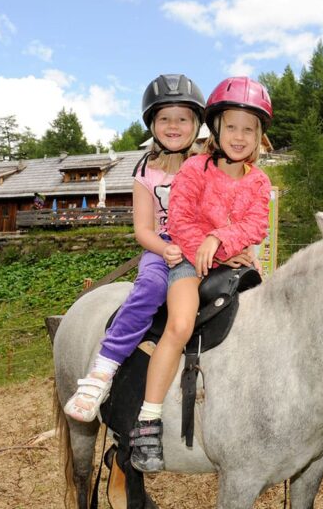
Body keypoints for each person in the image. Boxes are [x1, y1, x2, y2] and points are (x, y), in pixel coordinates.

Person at [129, 76, 273, 472]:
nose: (239, 136)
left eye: (249, 129)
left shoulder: (260, 182)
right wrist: (204, 247)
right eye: (231, 127)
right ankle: (149, 420)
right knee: (179, 324)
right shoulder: (195, 168)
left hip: (233, 259)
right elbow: (178, 219)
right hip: (189, 262)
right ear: (216, 128)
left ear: (260, 136)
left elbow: (255, 225)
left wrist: (221, 239)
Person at [63, 74, 206, 422]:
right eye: (164, 119)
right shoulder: (145, 171)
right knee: (149, 289)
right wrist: (163, 247)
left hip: (203, 247)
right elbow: (142, 230)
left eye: (182, 118)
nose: (174, 126)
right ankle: (103, 370)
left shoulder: (207, 166)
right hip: (163, 249)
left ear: (197, 123)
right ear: (153, 125)